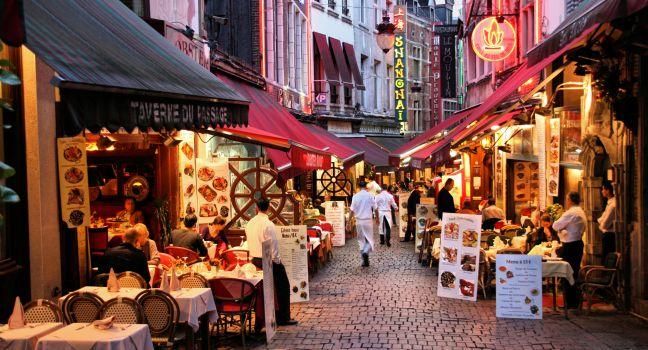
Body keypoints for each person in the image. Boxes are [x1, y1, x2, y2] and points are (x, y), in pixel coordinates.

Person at [246, 198, 297, 326]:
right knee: (283, 287)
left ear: (256, 208)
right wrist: (278, 262)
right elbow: (273, 247)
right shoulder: (269, 225)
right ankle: (283, 317)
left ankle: (270, 315)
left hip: (254, 260)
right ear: (268, 208)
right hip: (268, 261)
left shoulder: (249, 223)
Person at [552, 192, 587, 308]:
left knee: (568, 274)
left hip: (570, 246)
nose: (566, 202)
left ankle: (570, 303)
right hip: (577, 244)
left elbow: (556, 225)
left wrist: (562, 229)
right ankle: (573, 302)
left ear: (570, 200)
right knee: (573, 272)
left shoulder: (571, 212)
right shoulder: (581, 211)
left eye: (567, 199)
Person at [350, 180, 377, 267]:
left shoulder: (355, 196)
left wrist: (348, 221)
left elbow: (351, 210)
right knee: (369, 239)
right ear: (366, 187)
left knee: (361, 240)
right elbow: (375, 208)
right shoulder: (370, 195)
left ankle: (364, 260)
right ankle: (366, 252)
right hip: (368, 220)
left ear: (358, 187)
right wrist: (377, 218)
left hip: (359, 221)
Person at [598, 181, 616, 259]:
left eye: (603, 189)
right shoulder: (609, 203)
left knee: (606, 259)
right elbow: (600, 219)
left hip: (610, 236)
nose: (602, 191)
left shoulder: (613, 205)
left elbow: (604, 224)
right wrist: (601, 221)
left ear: (608, 190)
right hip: (608, 235)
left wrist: (602, 224)